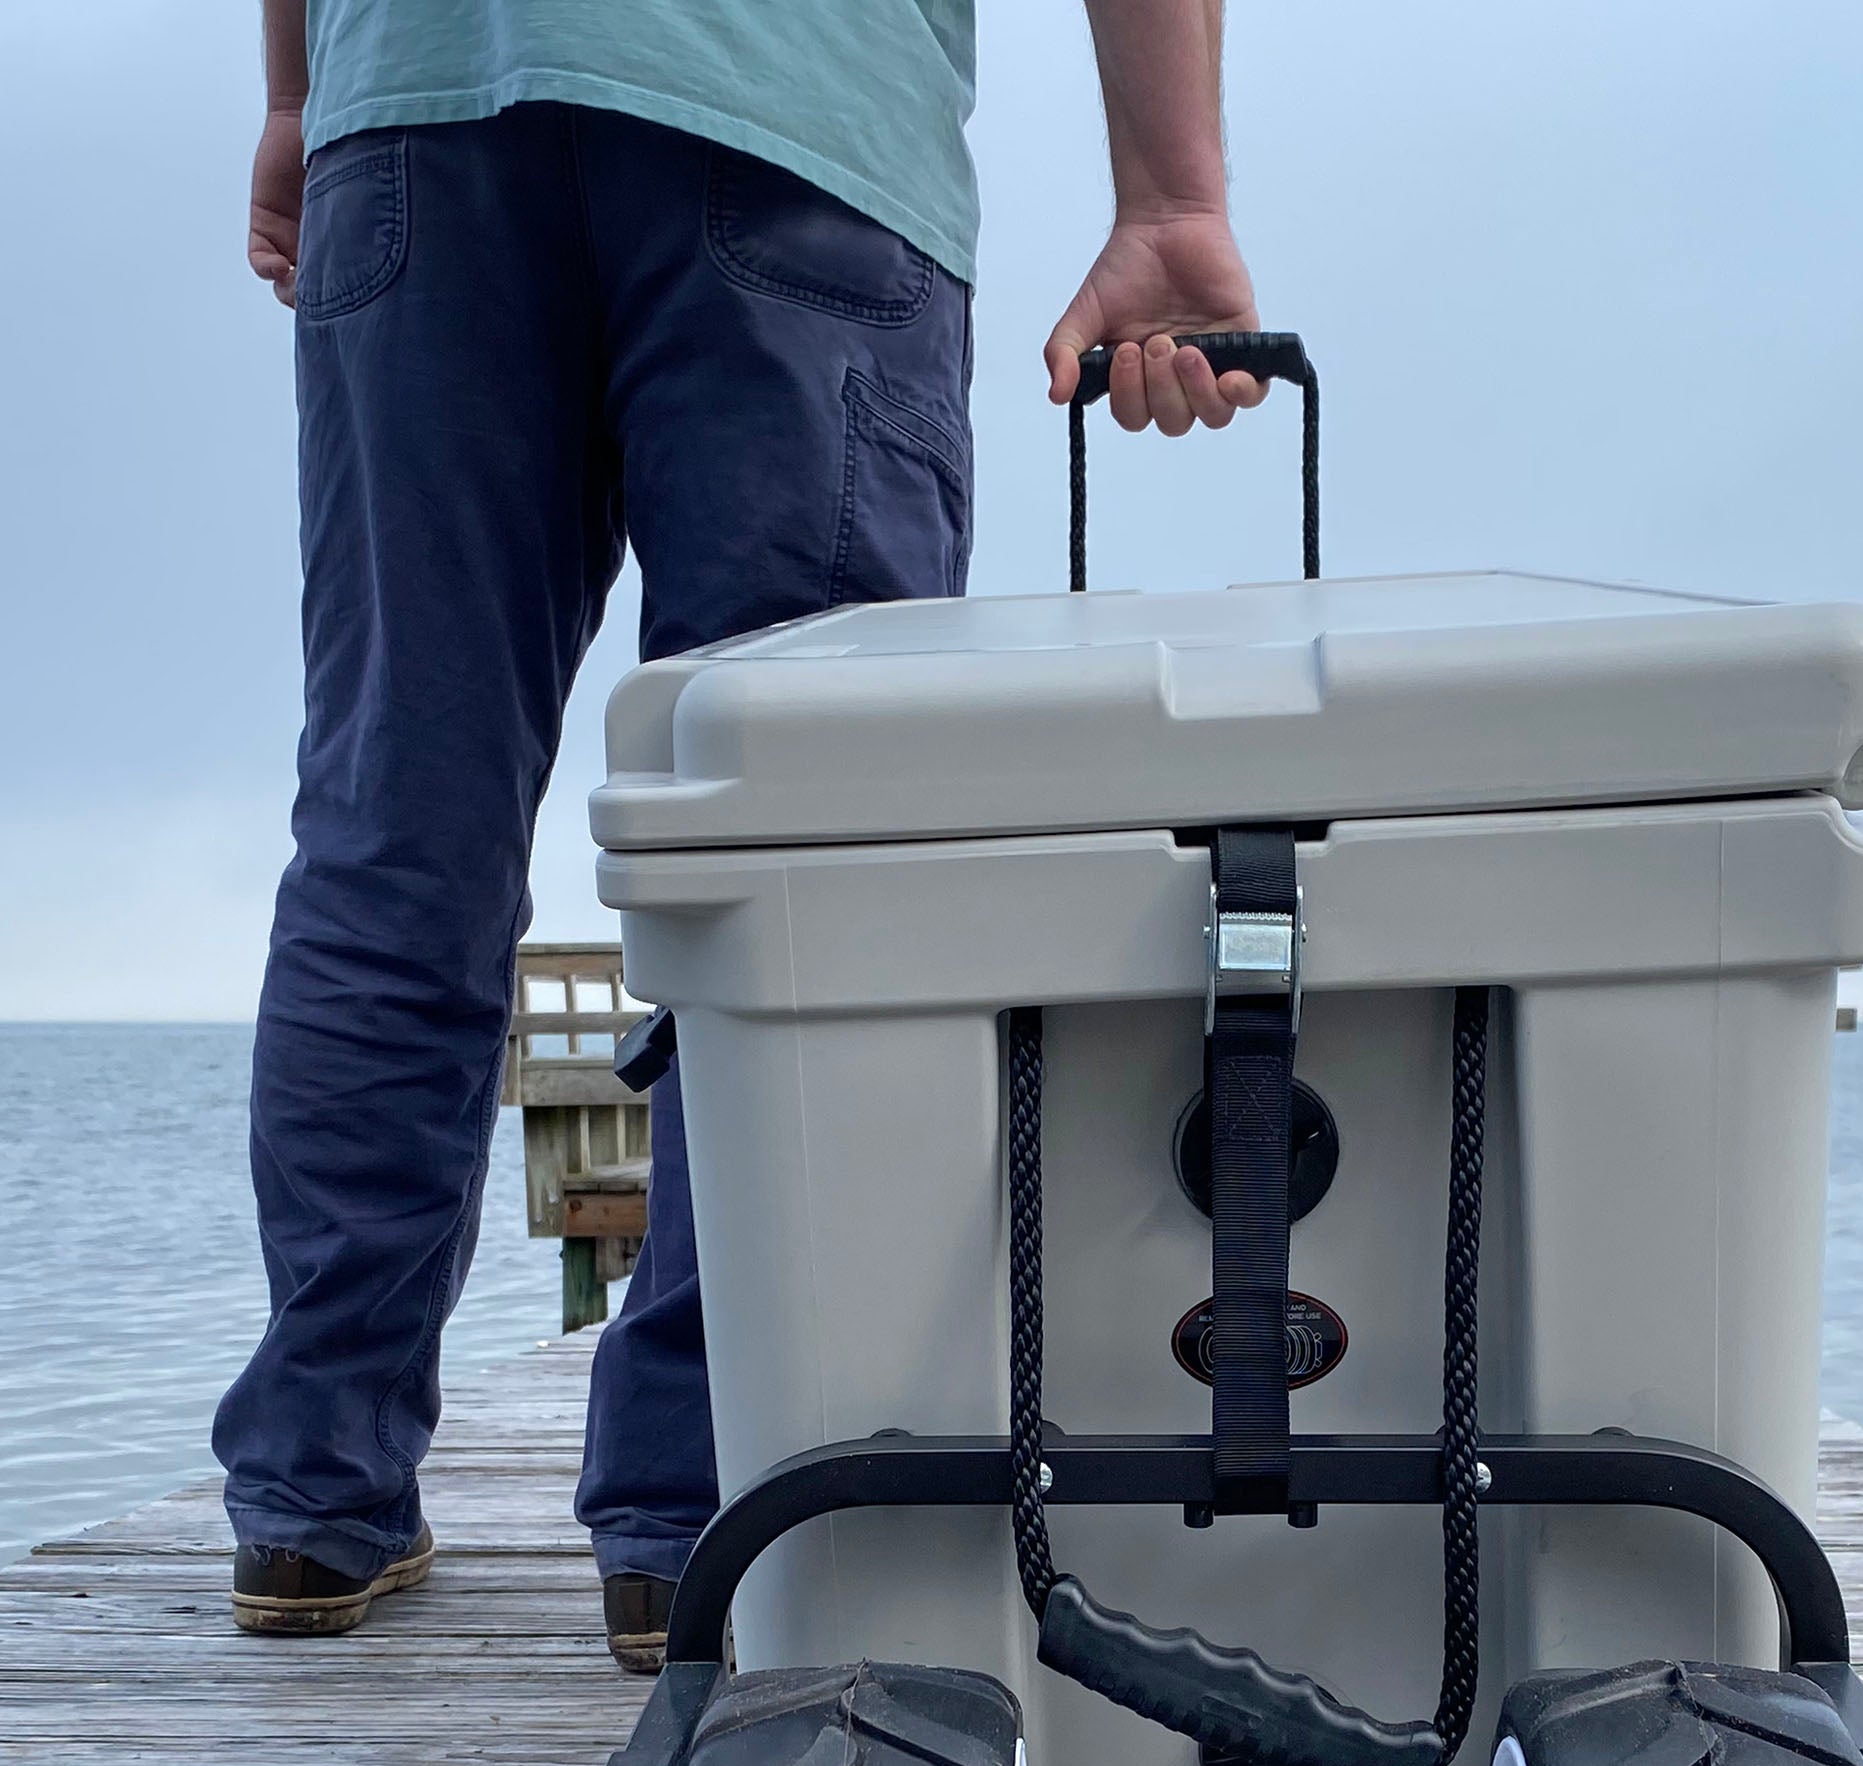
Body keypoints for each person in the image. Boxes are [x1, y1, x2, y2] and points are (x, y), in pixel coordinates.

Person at [219, 0, 1267, 1667]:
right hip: (790, 109)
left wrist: (294, 95)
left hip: (409, 106)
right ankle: (693, 1512)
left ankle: (311, 1496)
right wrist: (1170, 201)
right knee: (799, 857)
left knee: (391, 819)